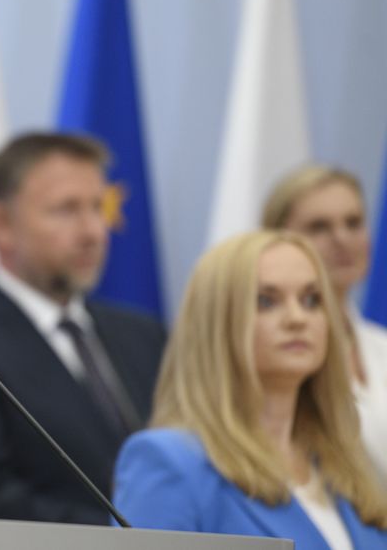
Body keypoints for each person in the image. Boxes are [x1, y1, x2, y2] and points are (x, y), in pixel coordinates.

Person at [0, 132, 166, 524]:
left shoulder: (144, 335)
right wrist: (128, 536)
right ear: (1, 223)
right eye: (66, 209)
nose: (93, 231)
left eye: (99, 208)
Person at [113, 230, 387, 549]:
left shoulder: (346, 464)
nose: (297, 318)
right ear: (217, 322)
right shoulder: (169, 462)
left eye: (311, 300)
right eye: (266, 301)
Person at [263, 165, 387, 484]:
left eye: (353, 223)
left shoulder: (381, 344)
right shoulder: (276, 353)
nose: (342, 238)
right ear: (278, 240)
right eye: (319, 227)